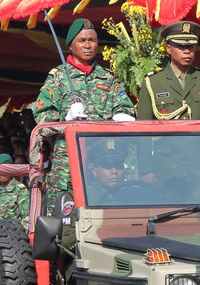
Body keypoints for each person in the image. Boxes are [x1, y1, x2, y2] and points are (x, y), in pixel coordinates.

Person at [34, 18, 135, 213]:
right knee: (64, 219)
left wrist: (121, 115)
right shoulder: (58, 77)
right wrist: (65, 118)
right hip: (68, 165)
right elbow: (41, 116)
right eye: (82, 41)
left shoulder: (107, 77)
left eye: (92, 40)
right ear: (71, 46)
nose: (88, 45)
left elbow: (125, 107)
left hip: (104, 163)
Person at [136, 21, 200, 120]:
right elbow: (145, 123)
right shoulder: (153, 81)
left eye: (191, 46)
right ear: (168, 49)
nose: (187, 51)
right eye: (181, 46)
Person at [0, 154, 29, 228]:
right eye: (0, 171)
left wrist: (20, 232)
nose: (3, 173)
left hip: (12, 231)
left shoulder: (19, 189)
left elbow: (27, 216)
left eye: (6, 170)